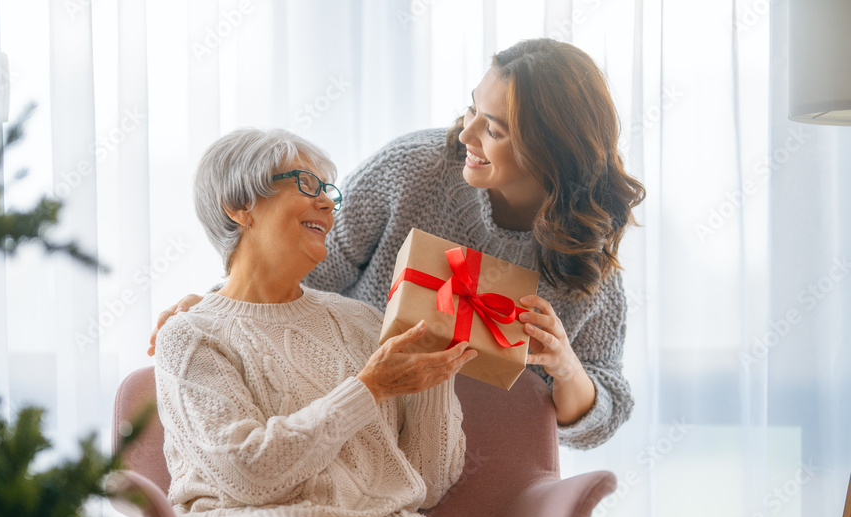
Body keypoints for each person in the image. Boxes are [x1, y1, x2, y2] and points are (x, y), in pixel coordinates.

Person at [149, 38, 645, 451]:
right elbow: (306, 266)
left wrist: (566, 368)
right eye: (473, 107)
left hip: (480, 459)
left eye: (492, 128)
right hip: (352, 422)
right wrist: (223, 304)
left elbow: (602, 415)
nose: (465, 133)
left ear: (550, 150)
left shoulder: (589, 258)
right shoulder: (416, 169)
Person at [153, 127, 504, 517]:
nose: (326, 201)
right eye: (305, 183)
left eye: (329, 190)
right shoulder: (191, 334)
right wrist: (370, 388)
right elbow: (250, 474)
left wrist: (437, 372)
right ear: (240, 207)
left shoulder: (362, 323)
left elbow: (427, 484)